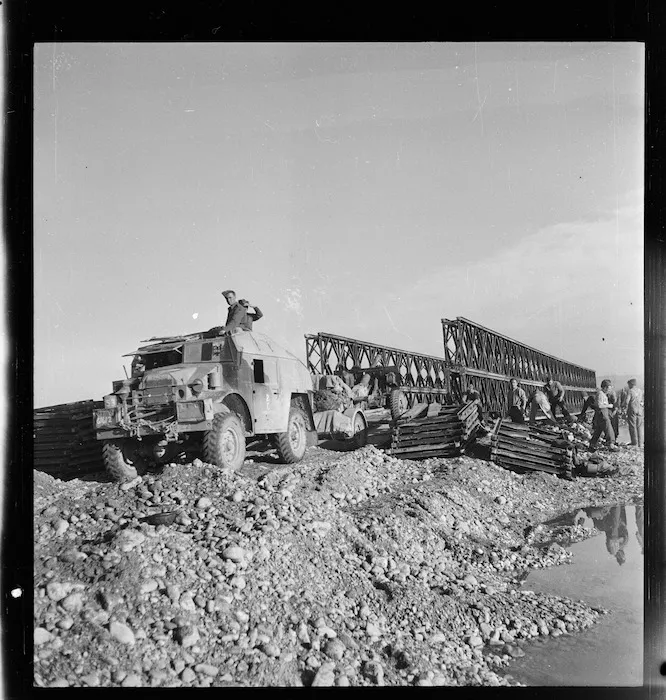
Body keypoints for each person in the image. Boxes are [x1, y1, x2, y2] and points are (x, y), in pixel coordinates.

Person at [589, 379, 618, 451]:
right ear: (605, 387)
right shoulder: (600, 394)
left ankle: (592, 444)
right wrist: (609, 405)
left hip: (602, 414)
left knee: (598, 430)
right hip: (602, 414)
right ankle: (611, 444)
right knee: (609, 429)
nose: (609, 390)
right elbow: (599, 405)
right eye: (609, 388)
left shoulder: (603, 394)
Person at [624, 378, 644, 448]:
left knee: (632, 426)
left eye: (628, 384)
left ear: (631, 384)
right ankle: (640, 443)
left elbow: (627, 401)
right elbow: (641, 401)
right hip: (640, 409)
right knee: (639, 427)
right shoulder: (640, 391)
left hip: (632, 409)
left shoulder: (630, 391)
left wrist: (624, 407)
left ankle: (634, 442)